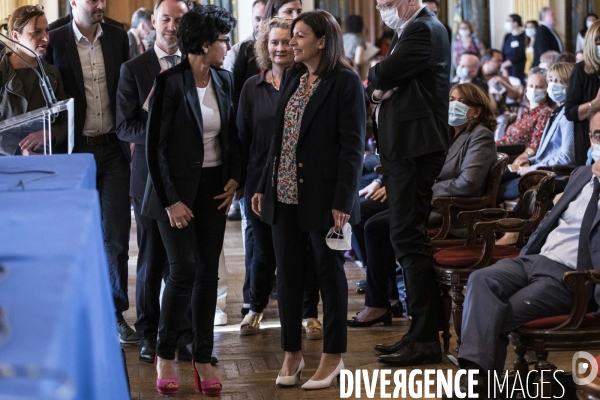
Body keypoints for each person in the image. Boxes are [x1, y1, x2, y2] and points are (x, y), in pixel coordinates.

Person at [447, 110, 600, 397]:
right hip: (534, 259)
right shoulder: (581, 174)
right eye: (597, 135)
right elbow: (552, 217)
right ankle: (480, 384)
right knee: (481, 279)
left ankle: (476, 388)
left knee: (495, 314)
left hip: (571, 277)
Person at [252, 10, 365, 389]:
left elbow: (353, 148)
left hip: (325, 197)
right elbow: (278, 138)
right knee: (288, 275)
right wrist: (263, 185)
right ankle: (292, 352)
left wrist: (344, 200)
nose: (290, 43)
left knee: (329, 274)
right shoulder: (295, 77)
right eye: (289, 36)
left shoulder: (345, 82)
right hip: (283, 192)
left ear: (322, 41)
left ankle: (333, 356)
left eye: (299, 36)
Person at [143, 5, 240, 396]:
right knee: (183, 269)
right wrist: (171, 202)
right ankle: (167, 353)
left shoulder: (226, 79)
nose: (228, 45)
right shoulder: (169, 82)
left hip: (214, 189)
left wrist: (236, 177)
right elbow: (155, 150)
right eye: (222, 40)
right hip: (174, 193)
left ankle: (202, 355)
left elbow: (232, 136)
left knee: (208, 276)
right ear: (204, 44)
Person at [348, 83, 496, 328]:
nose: (451, 104)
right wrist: (387, 182)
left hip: (449, 210)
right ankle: (389, 296)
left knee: (376, 226)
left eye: (459, 101)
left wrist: (420, 189)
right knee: (362, 213)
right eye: (450, 98)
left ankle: (380, 302)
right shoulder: (446, 133)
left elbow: (467, 183)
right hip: (424, 199)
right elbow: (415, 165)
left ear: (476, 111)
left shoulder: (479, 135)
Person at [45, 0, 136, 343]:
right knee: (75, 238)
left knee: (116, 237)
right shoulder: (54, 40)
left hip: (113, 150)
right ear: (73, 2)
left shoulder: (117, 37)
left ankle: (115, 314)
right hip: (75, 150)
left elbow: (125, 90)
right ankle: (78, 312)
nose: (101, 3)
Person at [366, 0, 450, 366]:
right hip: (406, 148)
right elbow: (378, 87)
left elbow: (381, 74)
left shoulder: (422, 28)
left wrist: (379, 78)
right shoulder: (411, 29)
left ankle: (426, 336)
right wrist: (379, 88)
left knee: (407, 237)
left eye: (386, 2)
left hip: (416, 149)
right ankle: (420, 331)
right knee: (403, 236)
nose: (382, 7)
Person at [116, 0, 193, 364]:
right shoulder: (134, 68)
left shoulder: (197, 64)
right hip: (148, 179)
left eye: (179, 20)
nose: (172, 27)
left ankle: (183, 332)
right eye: (166, 19)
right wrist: (161, 130)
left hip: (190, 178)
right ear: (153, 22)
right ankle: (148, 334)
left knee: (186, 262)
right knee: (151, 261)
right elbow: (125, 126)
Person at [499, 62, 574, 203]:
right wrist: (528, 161)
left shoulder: (567, 116)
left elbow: (566, 157)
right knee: (495, 179)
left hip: (550, 174)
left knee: (500, 189)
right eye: (551, 80)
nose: (553, 85)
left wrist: (532, 168)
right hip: (539, 167)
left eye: (559, 81)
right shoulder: (558, 112)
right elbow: (545, 152)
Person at [0, 5, 67, 156]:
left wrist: (51, 133)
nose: (46, 37)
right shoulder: (2, 73)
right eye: (37, 32)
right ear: (16, 36)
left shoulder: (52, 72)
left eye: (46, 30)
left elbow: (64, 118)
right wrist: (19, 150)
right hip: (7, 165)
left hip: (46, 161)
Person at [565, 20, 600, 167]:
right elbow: (570, 112)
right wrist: (595, 104)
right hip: (588, 140)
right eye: (598, 42)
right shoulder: (581, 70)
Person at [496, 71, 552, 151]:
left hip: (518, 155)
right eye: (531, 86)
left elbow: (535, 146)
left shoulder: (545, 113)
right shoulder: (526, 111)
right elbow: (508, 139)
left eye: (538, 87)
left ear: (545, 91)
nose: (534, 89)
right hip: (505, 148)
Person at [223, 0, 266, 72]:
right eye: (257, 19)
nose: (261, 25)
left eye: (266, 19)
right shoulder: (235, 52)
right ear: (251, 19)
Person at [48, 7, 123, 30]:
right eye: (93, 0)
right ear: (74, 2)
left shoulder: (118, 29)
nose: (101, 6)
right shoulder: (52, 31)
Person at [501, 14, 526, 83]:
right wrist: (503, 67)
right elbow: (503, 51)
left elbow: (521, 53)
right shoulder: (507, 36)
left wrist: (506, 64)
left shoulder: (524, 36)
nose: (506, 23)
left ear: (515, 23)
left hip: (518, 69)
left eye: (508, 21)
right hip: (506, 70)